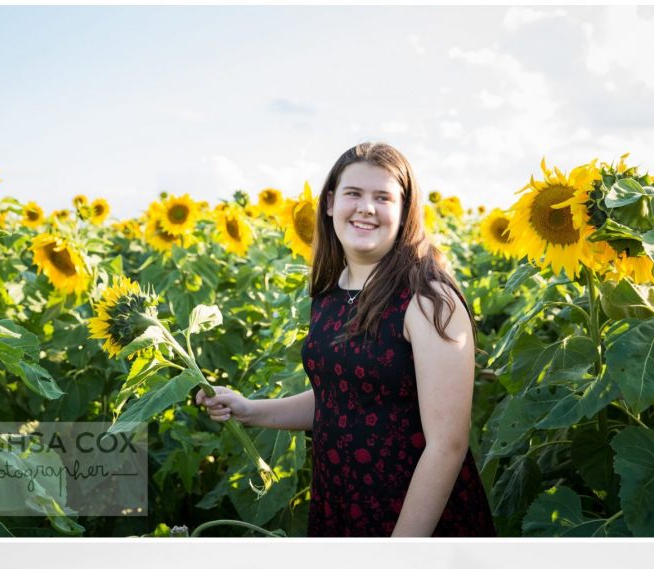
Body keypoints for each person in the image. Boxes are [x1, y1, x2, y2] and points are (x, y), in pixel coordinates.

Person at [196, 141, 495, 538]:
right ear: (331, 203)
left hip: (411, 518)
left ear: (404, 211)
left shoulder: (428, 299)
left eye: (383, 197)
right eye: (354, 194)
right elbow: (340, 399)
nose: (366, 208)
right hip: (339, 504)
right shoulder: (331, 292)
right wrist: (250, 410)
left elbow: (447, 446)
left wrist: (399, 552)